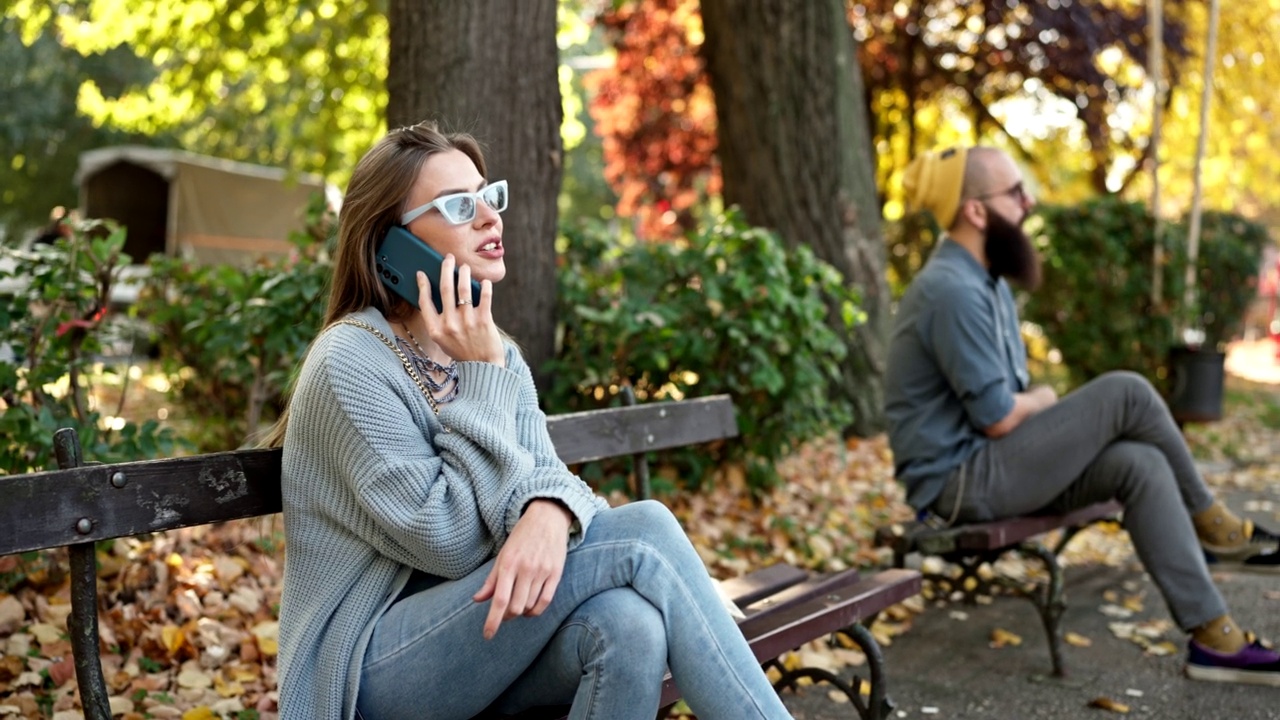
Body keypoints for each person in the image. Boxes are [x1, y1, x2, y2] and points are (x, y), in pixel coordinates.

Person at [263, 121, 793, 720]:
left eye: (489, 196)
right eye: (460, 206)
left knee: (629, 625)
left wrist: (551, 510)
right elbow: (452, 543)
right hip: (365, 668)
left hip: (473, 635)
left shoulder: (496, 352)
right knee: (643, 535)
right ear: (391, 245)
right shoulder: (350, 362)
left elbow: (554, 477)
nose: (490, 217)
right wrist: (488, 382)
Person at [885, 145, 1280, 687]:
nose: (1029, 202)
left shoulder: (986, 282)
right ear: (975, 210)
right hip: (959, 487)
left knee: (1137, 463)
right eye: (1015, 193)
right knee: (1127, 392)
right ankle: (1214, 524)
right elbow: (1000, 417)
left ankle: (1214, 639)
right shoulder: (951, 290)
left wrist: (1037, 403)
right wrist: (1045, 400)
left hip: (992, 470)